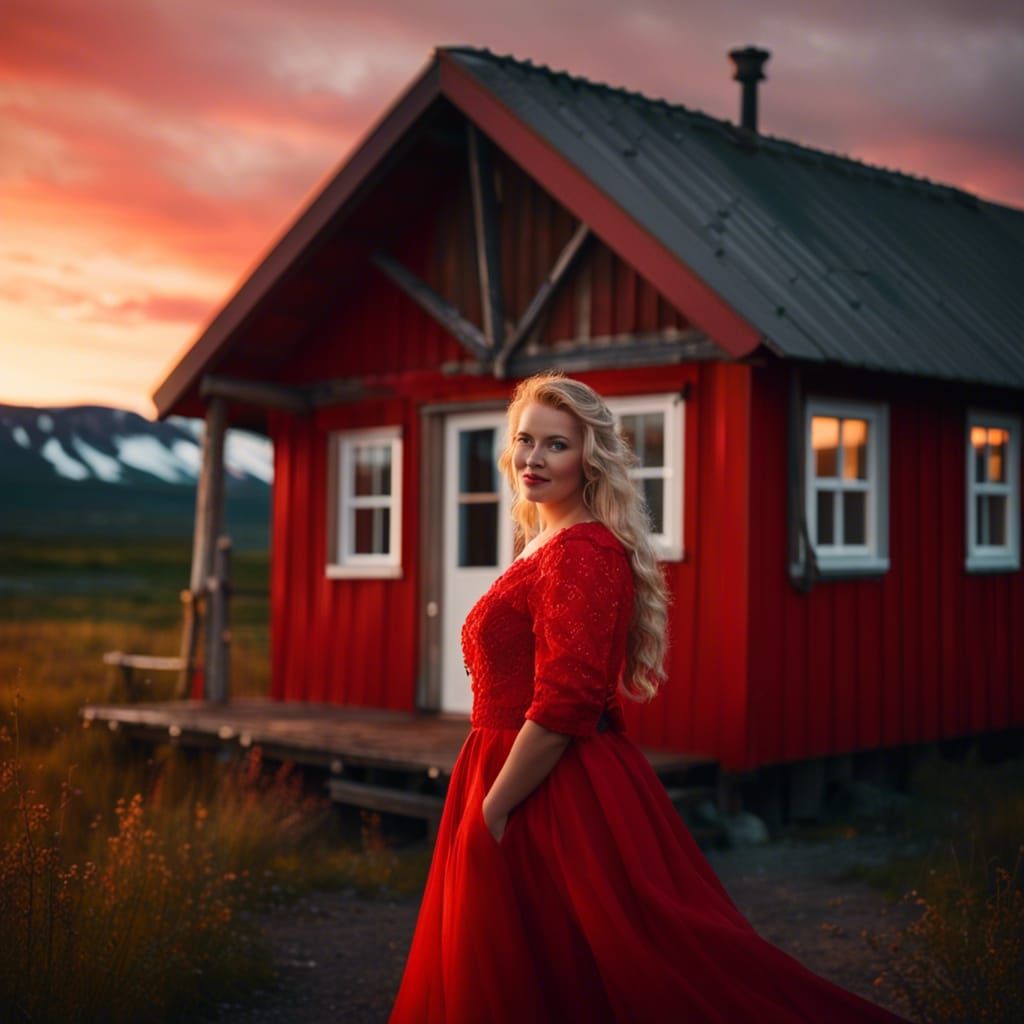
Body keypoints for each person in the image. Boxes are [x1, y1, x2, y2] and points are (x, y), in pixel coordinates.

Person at [389, 372, 907, 1023]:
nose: (532, 459)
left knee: (631, 967)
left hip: (547, 786)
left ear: (590, 458)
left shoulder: (582, 552)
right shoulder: (544, 544)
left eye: (556, 445)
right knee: (546, 965)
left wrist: (492, 810)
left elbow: (567, 700)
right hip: (513, 771)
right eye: (525, 441)